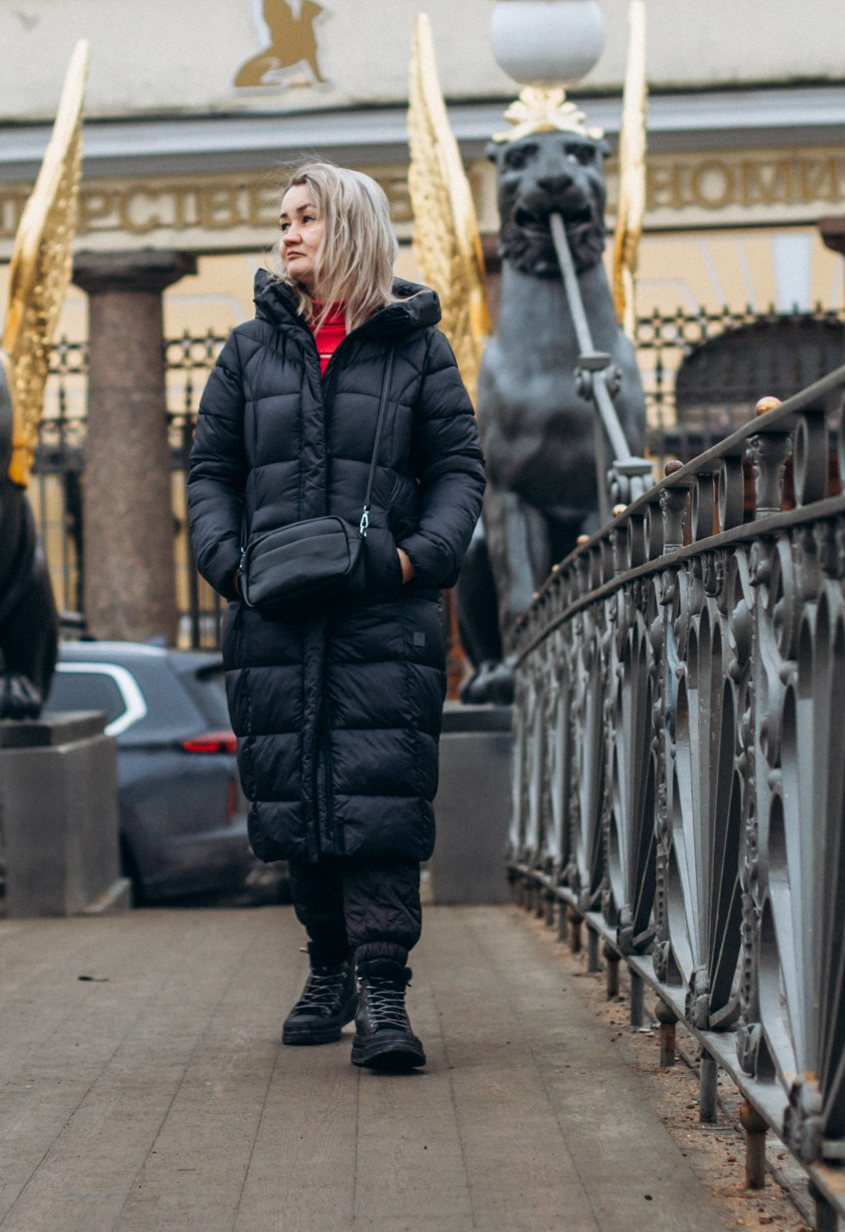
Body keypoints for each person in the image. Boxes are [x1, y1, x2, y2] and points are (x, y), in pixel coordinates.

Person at [186, 160, 485, 1073]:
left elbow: (459, 472)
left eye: (307, 218)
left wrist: (413, 561)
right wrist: (230, 569)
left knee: (381, 805)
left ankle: (385, 991)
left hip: (380, 618)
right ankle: (328, 971)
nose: (288, 234)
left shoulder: (417, 350)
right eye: (283, 219)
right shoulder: (248, 352)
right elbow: (210, 475)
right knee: (296, 803)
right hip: (275, 619)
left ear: (350, 227)